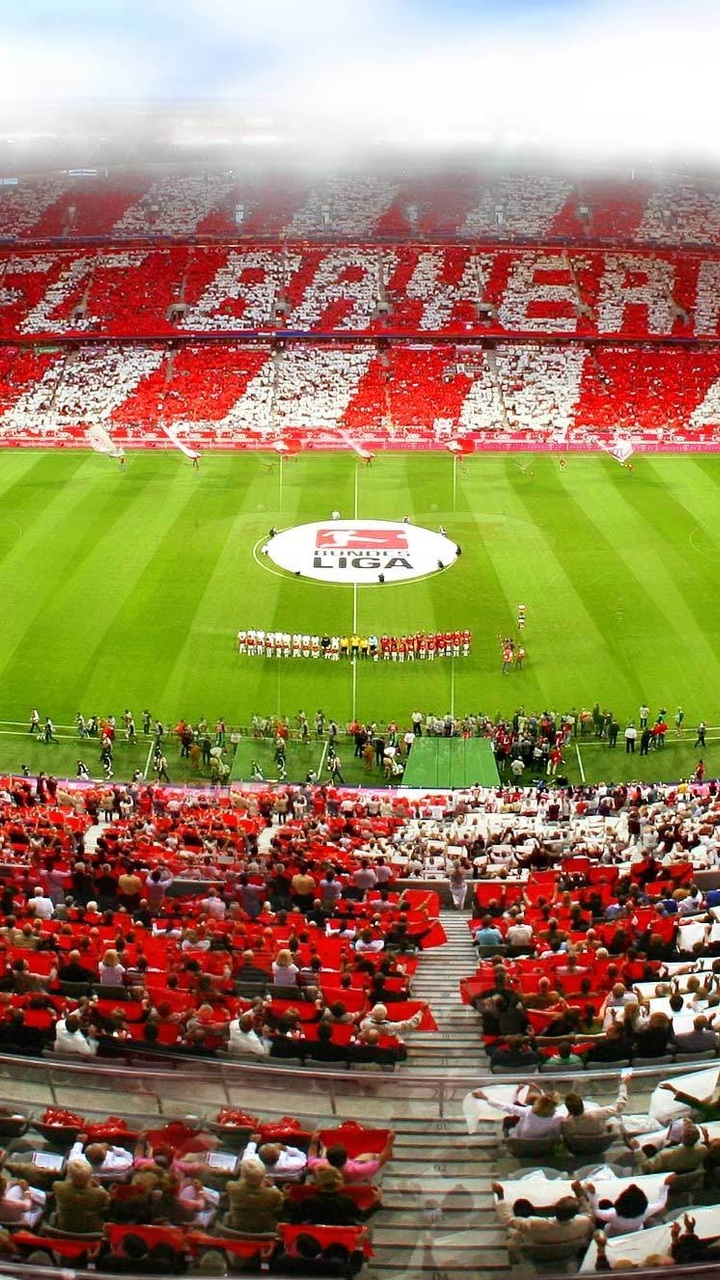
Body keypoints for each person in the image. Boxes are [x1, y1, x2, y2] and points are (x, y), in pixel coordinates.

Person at [492, 1180, 593, 1259]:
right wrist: (579, 1194)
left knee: (521, 1206)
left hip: (534, 1249)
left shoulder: (533, 1223)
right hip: (565, 1252)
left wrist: (500, 1196)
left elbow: (509, 1220)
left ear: (555, 1208)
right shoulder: (584, 1222)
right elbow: (588, 1212)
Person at [225, 1156, 284, 1233]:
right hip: (265, 1228)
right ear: (263, 1176)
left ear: (243, 1175)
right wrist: (272, 1186)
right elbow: (281, 1205)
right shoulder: (274, 1193)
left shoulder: (231, 1186)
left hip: (237, 1225)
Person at [52, 1158, 109, 1233]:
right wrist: (99, 1187)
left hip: (64, 1227)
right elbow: (106, 1208)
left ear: (69, 1175)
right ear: (90, 1176)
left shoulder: (58, 1186)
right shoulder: (100, 1193)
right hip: (91, 1230)